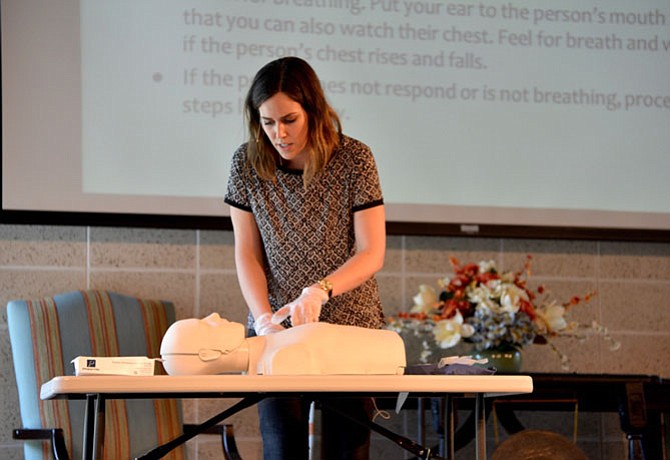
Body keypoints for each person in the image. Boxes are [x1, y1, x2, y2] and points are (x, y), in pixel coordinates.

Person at [224, 56, 387, 460]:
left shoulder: (354, 159)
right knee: (282, 448)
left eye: (289, 119)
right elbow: (246, 252)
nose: (279, 133)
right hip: (276, 331)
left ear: (313, 110)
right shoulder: (246, 164)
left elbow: (372, 251)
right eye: (267, 122)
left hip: (349, 324)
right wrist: (263, 320)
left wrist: (319, 291)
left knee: (346, 449)